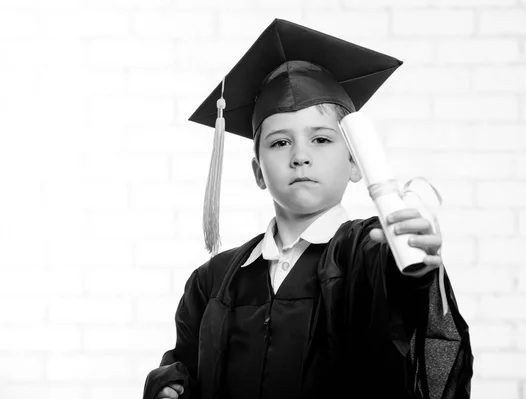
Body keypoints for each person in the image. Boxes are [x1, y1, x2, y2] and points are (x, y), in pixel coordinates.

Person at [143, 18, 473, 399]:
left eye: (320, 139)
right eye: (280, 143)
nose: (300, 156)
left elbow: (403, 311)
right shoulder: (213, 281)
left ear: (355, 163)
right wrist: (173, 388)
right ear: (258, 172)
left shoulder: (367, 253)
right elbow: (187, 365)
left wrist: (412, 265)